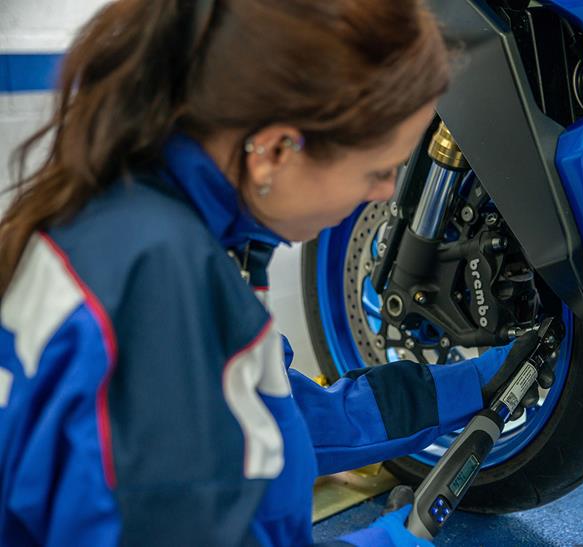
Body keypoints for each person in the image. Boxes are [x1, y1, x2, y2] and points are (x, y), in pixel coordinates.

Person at [0, 0, 538, 545]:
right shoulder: (158, 287)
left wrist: (464, 387)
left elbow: (262, 415)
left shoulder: (163, 223)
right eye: (378, 171)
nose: (382, 194)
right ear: (277, 151)